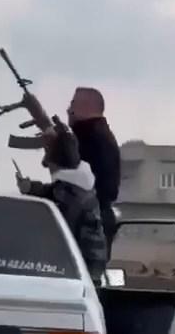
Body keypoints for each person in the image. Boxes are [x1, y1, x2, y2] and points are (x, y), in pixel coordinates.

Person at [16, 116, 108, 283]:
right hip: (87, 271)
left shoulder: (67, 196)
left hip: (75, 275)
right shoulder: (80, 188)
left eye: (48, 155)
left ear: (57, 161)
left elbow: (53, 237)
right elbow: (50, 191)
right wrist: (30, 188)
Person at [66, 87, 121, 255]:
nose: (69, 110)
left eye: (73, 104)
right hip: (94, 216)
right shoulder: (97, 135)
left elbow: (71, 179)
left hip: (88, 220)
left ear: (86, 106)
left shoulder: (89, 137)